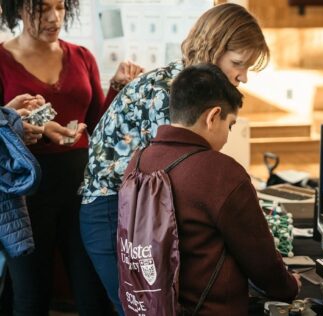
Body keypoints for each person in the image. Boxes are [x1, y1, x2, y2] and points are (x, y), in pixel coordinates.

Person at [78, 3, 269, 314]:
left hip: (135, 207)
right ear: (213, 48)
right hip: (112, 209)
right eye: (238, 63)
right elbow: (184, 179)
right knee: (143, 309)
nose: (243, 76)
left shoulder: (185, 86)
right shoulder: (168, 93)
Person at [0, 0, 143, 315]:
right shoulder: (1, 59)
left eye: (61, 7)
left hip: (84, 192)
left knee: (93, 293)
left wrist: (118, 87)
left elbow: (99, 129)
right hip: (25, 196)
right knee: (30, 296)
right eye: (42, 9)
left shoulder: (81, 57)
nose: (54, 18)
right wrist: (14, 127)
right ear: (19, 9)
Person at [122, 63, 301, 314]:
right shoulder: (220, 172)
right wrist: (289, 285)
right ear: (213, 116)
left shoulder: (138, 160)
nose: (227, 137)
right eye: (230, 126)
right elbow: (261, 261)